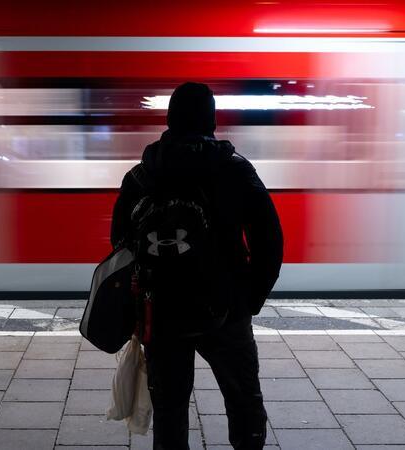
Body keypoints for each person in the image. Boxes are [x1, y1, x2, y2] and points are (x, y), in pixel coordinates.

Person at [110, 82, 283, 450]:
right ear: (212, 120)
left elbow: (120, 244)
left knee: (170, 409)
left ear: (170, 119)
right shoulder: (235, 171)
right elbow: (270, 241)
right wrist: (248, 300)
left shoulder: (141, 176)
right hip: (226, 309)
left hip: (163, 311)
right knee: (243, 400)